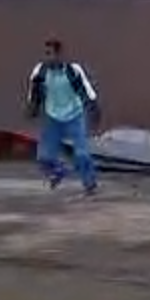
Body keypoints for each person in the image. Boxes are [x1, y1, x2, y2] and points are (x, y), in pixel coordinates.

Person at [26, 38, 100, 195]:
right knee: (44, 157)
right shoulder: (40, 71)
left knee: (81, 154)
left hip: (75, 116)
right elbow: (34, 92)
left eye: (50, 54)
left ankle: (90, 184)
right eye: (45, 54)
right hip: (53, 117)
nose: (47, 58)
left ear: (59, 54)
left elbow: (86, 90)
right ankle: (58, 171)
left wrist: (94, 109)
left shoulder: (73, 70)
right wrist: (32, 108)